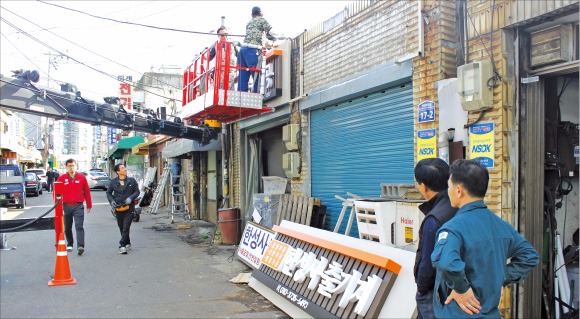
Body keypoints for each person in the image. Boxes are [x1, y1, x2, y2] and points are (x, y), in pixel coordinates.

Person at [431, 159, 539, 318]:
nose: (448, 191)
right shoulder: (502, 226)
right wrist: (500, 276)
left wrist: (463, 289)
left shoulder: (453, 228)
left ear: (459, 190)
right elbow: (530, 256)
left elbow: (446, 262)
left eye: (449, 186)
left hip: (459, 314)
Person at [413, 158, 457, 319]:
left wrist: (421, 289)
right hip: (456, 288)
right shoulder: (458, 205)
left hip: (435, 292)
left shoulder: (434, 220)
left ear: (423, 186)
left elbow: (428, 263)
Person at [56, 158, 92, 256]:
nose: (72, 167)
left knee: (79, 226)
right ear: (66, 167)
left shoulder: (81, 178)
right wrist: (57, 204)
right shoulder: (62, 178)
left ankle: (80, 246)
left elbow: (87, 192)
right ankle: (70, 243)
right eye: (69, 166)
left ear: (76, 166)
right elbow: (56, 191)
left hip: (78, 205)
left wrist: (89, 205)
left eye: (73, 165)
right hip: (66, 206)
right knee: (67, 226)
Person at [237, 6, 274, 93]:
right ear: (261, 13)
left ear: (252, 15)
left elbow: (261, 38)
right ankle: (256, 95)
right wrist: (281, 36)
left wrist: (270, 44)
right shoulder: (261, 20)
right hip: (252, 50)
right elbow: (271, 31)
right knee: (256, 74)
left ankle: (241, 97)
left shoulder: (249, 23)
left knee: (243, 76)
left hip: (242, 50)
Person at [106, 163, 140, 254]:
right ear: (118, 172)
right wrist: (112, 201)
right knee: (121, 227)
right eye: (122, 168)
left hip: (129, 207)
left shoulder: (132, 181)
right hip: (118, 207)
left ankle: (122, 246)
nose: (125, 169)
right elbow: (108, 193)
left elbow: (137, 191)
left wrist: (131, 198)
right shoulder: (113, 182)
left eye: (124, 168)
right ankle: (127, 242)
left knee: (126, 226)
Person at [209, 26, 238, 90]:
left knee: (230, 90)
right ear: (218, 36)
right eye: (222, 35)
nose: (224, 36)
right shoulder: (216, 45)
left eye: (226, 35)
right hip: (220, 73)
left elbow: (239, 56)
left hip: (231, 72)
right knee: (220, 91)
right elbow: (209, 57)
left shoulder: (232, 45)